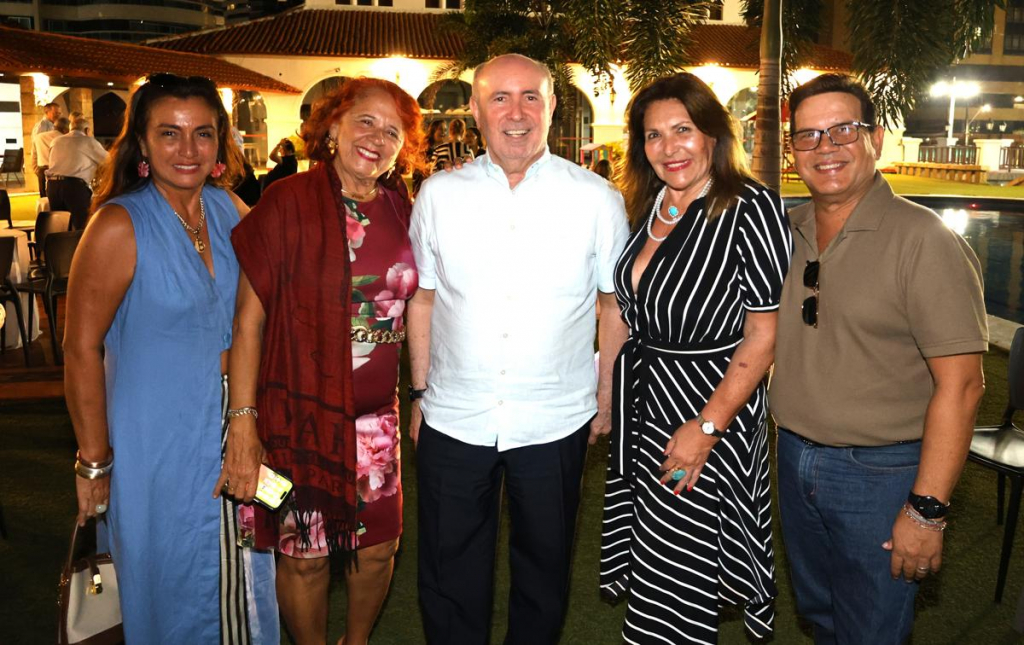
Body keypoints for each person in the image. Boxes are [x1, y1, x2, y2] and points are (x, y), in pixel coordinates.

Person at [408, 53, 630, 644]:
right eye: (499, 98)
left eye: (530, 96)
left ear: (553, 107)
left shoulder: (597, 199)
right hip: (454, 413)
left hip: (556, 415)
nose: (516, 112)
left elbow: (613, 308)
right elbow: (424, 299)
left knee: (544, 569)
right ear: (475, 111)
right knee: (448, 568)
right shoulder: (436, 195)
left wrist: (606, 399)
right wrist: (420, 392)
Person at [769, 73, 988, 644]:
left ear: (878, 138)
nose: (826, 148)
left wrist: (927, 509)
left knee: (871, 630)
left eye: (844, 129)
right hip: (793, 458)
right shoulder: (786, 232)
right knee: (820, 619)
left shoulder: (925, 240)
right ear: (793, 151)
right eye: (809, 136)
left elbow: (963, 386)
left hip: (880, 475)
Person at [63, 73, 278, 643]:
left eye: (202, 134)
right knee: (166, 580)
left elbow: (258, 314)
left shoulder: (231, 209)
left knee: (242, 579)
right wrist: (93, 461)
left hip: (235, 430)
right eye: (170, 133)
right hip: (153, 445)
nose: (188, 149)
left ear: (220, 143)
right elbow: (80, 349)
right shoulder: (118, 224)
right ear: (142, 142)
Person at [226, 76, 426, 645]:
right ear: (333, 128)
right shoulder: (285, 202)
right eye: (366, 121)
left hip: (375, 422)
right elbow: (248, 322)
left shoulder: (401, 211)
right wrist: (243, 425)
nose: (378, 138)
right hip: (295, 421)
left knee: (380, 547)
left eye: (393, 132)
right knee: (305, 555)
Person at [598, 72, 791, 643]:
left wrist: (706, 428)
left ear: (712, 134)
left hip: (705, 408)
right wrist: (610, 399)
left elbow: (763, 335)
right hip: (646, 404)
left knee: (678, 569)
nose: (668, 147)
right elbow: (630, 313)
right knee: (657, 564)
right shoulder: (650, 204)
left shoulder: (749, 207)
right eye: (653, 135)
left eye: (683, 129)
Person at [47, 116, 109, 230]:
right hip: (73, 187)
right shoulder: (88, 141)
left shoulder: (56, 141)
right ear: (86, 130)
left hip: (52, 186)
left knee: (59, 226)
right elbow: (109, 161)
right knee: (82, 226)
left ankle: (58, 248)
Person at [32, 116, 70, 201]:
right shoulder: (65, 138)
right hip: (57, 170)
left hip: (41, 168)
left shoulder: (39, 137)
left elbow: (34, 153)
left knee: (43, 198)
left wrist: (35, 167)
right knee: (56, 197)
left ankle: (43, 211)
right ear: (65, 129)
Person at [30, 102, 63, 197]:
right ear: (46, 112)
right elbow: (36, 146)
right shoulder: (41, 126)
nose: (58, 115)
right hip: (44, 164)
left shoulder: (54, 125)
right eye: (56, 113)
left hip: (52, 163)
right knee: (45, 196)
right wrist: (36, 166)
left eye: (60, 113)